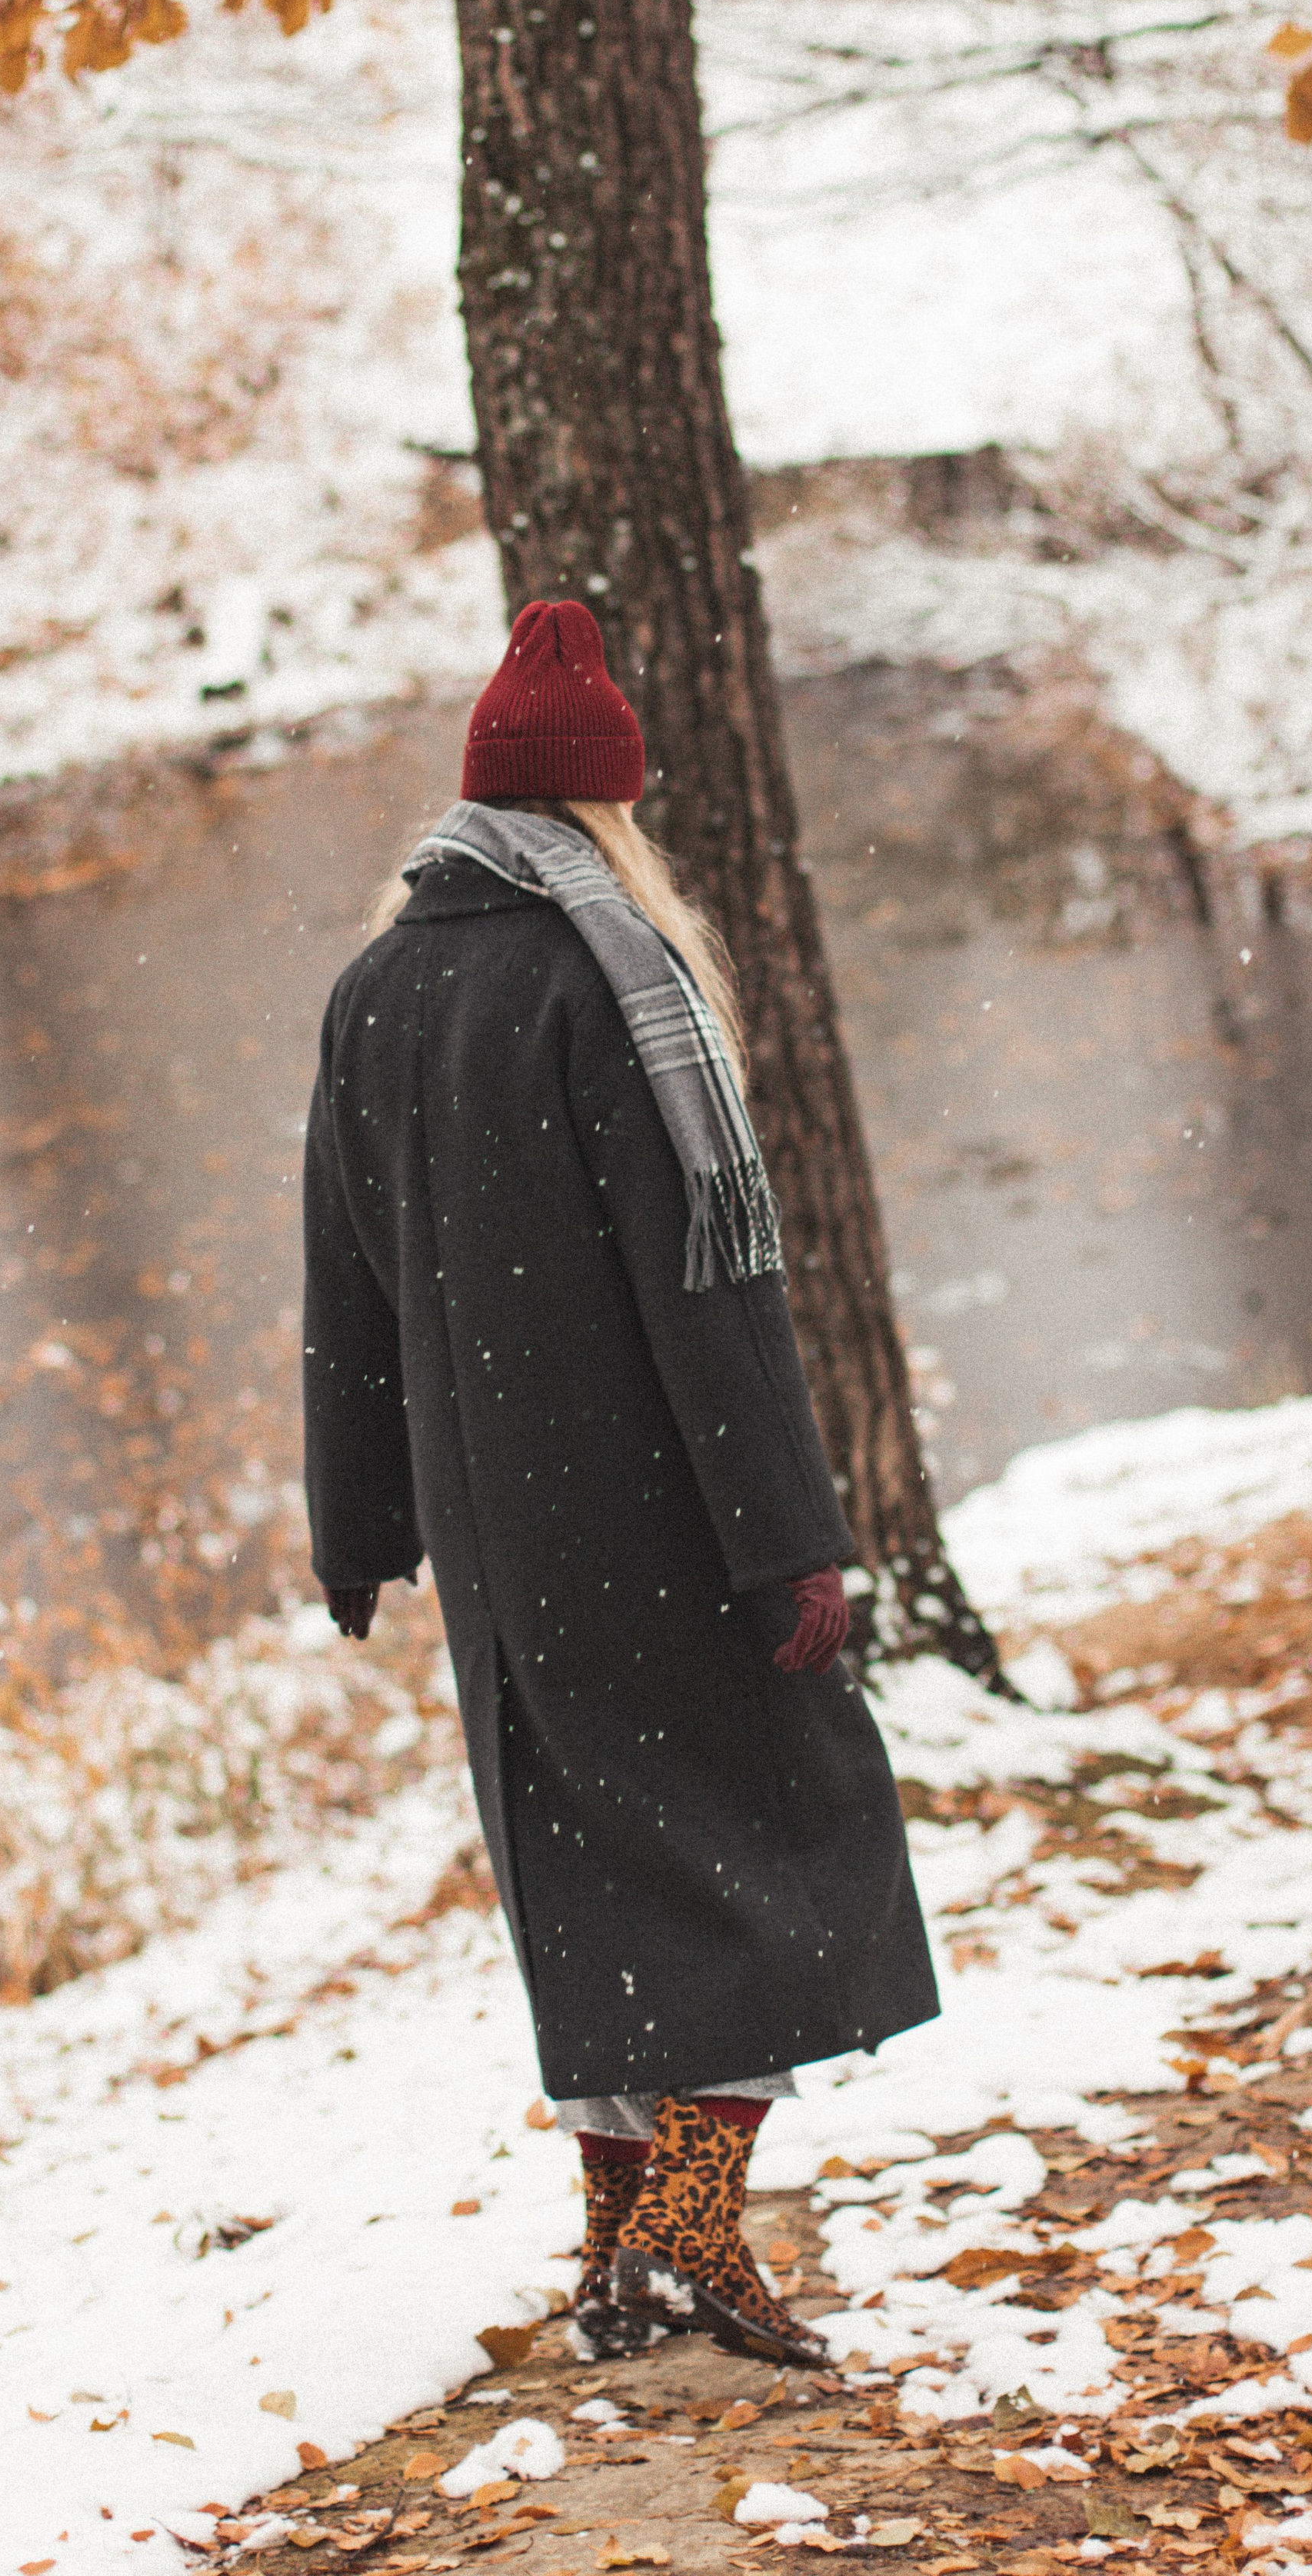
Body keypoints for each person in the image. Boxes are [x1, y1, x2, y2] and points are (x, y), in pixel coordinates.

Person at [301, 598, 936, 2366]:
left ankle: (622, 2260)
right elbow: (708, 1292)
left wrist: (360, 1522)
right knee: (786, 1853)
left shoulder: (374, 993)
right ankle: (681, 2239)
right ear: (604, 810)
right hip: (656, 1513)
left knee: (591, 1883)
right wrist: (791, 1543)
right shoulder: (609, 979)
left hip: (504, 1542)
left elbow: (338, 1282)